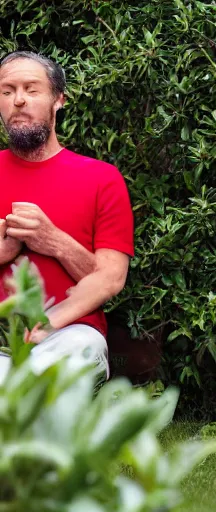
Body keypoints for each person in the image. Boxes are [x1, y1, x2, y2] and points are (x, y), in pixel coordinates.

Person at [0, 51, 134, 381]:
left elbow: (111, 279)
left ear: (59, 100)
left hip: (68, 335)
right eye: (7, 91)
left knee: (78, 354)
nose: (18, 100)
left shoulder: (101, 178)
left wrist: (55, 241)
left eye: (31, 89)